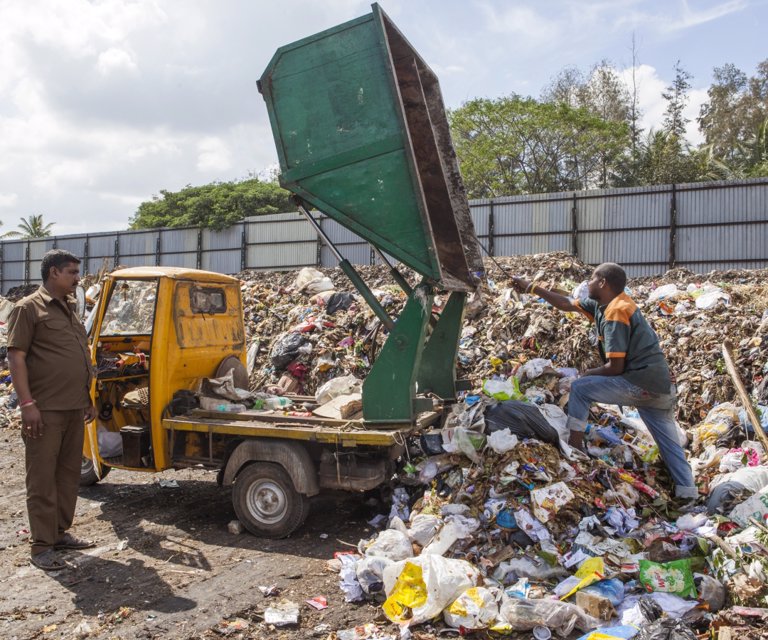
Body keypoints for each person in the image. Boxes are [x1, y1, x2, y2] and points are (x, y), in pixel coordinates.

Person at [511, 263, 698, 501]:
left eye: (591, 278)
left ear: (602, 283)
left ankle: (575, 448)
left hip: (640, 383)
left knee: (579, 388)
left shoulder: (617, 311)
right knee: (668, 442)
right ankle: (688, 494)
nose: (587, 283)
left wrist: (585, 375)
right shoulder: (603, 304)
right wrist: (531, 288)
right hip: (660, 387)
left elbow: (615, 367)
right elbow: (566, 303)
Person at [7, 250, 97, 571]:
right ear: (54, 273)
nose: (77, 278)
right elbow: (16, 358)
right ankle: (41, 546)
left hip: (74, 408)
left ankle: (59, 533)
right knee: (43, 479)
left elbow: (79, 357)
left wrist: (87, 398)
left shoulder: (70, 310)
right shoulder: (28, 308)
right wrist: (27, 404)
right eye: (72, 272)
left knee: (67, 476)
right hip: (44, 411)